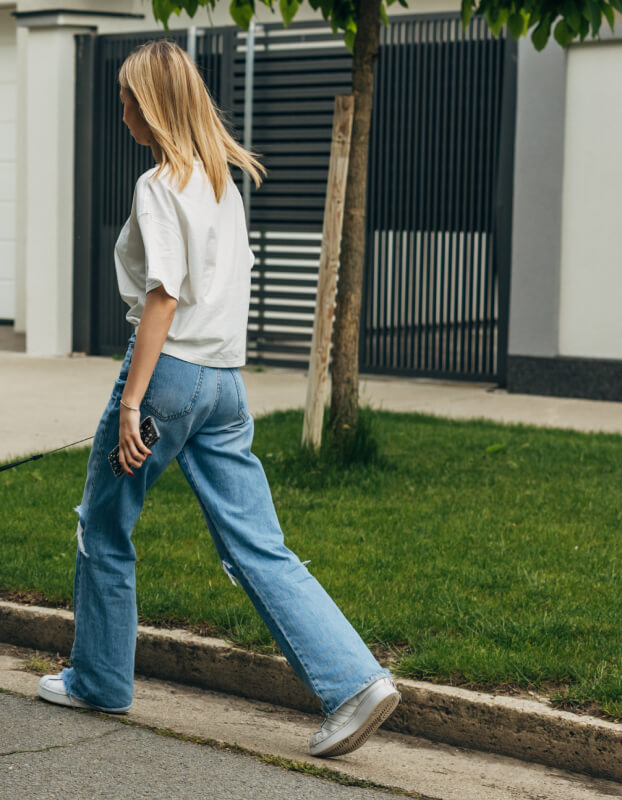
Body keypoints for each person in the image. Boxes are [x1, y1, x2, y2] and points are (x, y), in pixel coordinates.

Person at [35, 40, 399, 758]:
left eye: (128, 99)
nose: (122, 111)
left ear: (155, 104)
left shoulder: (159, 184)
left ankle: (99, 680)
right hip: (224, 386)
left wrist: (134, 401)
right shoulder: (220, 183)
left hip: (168, 377)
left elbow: (163, 294)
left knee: (102, 527)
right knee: (258, 544)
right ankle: (355, 682)